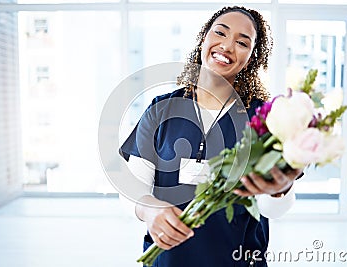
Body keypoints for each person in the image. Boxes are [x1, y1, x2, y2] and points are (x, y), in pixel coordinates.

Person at [119, 6, 302, 267]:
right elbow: (132, 187)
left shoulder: (265, 119)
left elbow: (273, 209)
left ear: (250, 58)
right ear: (204, 39)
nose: (227, 46)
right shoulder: (161, 110)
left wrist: (279, 189)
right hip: (169, 260)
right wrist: (150, 210)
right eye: (220, 33)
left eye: (242, 42)